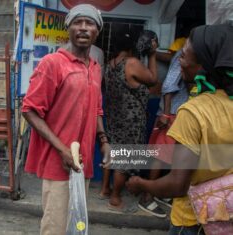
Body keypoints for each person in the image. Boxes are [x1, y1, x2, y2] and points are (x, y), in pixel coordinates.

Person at [126, 23, 233, 235]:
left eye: (184, 56)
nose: (179, 62)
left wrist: (141, 184)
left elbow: (177, 185)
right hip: (225, 215)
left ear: (204, 65)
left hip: (192, 220)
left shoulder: (192, 113)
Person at [21, 4, 110, 235]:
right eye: (77, 22)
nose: (83, 28)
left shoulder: (95, 67)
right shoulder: (53, 63)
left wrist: (103, 140)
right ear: (68, 28)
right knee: (55, 226)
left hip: (83, 163)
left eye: (89, 23)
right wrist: (62, 149)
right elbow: (29, 110)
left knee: (75, 224)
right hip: (57, 163)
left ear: (97, 31)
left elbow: (97, 109)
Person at [100, 32, 158, 211]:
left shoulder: (110, 64)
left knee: (113, 153)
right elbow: (153, 80)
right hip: (130, 120)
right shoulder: (132, 63)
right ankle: (116, 198)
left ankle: (105, 189)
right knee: (124, 159)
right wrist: (152, 54)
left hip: (114, 116)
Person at [139, 46, 189, 218]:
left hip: (180, 112)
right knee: (161, 155)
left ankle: (161, 192)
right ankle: (147, 196)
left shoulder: (184, 54)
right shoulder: (185, 54)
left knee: (171, 156)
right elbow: (168, 85)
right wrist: (167, 113)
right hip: (172, 113)